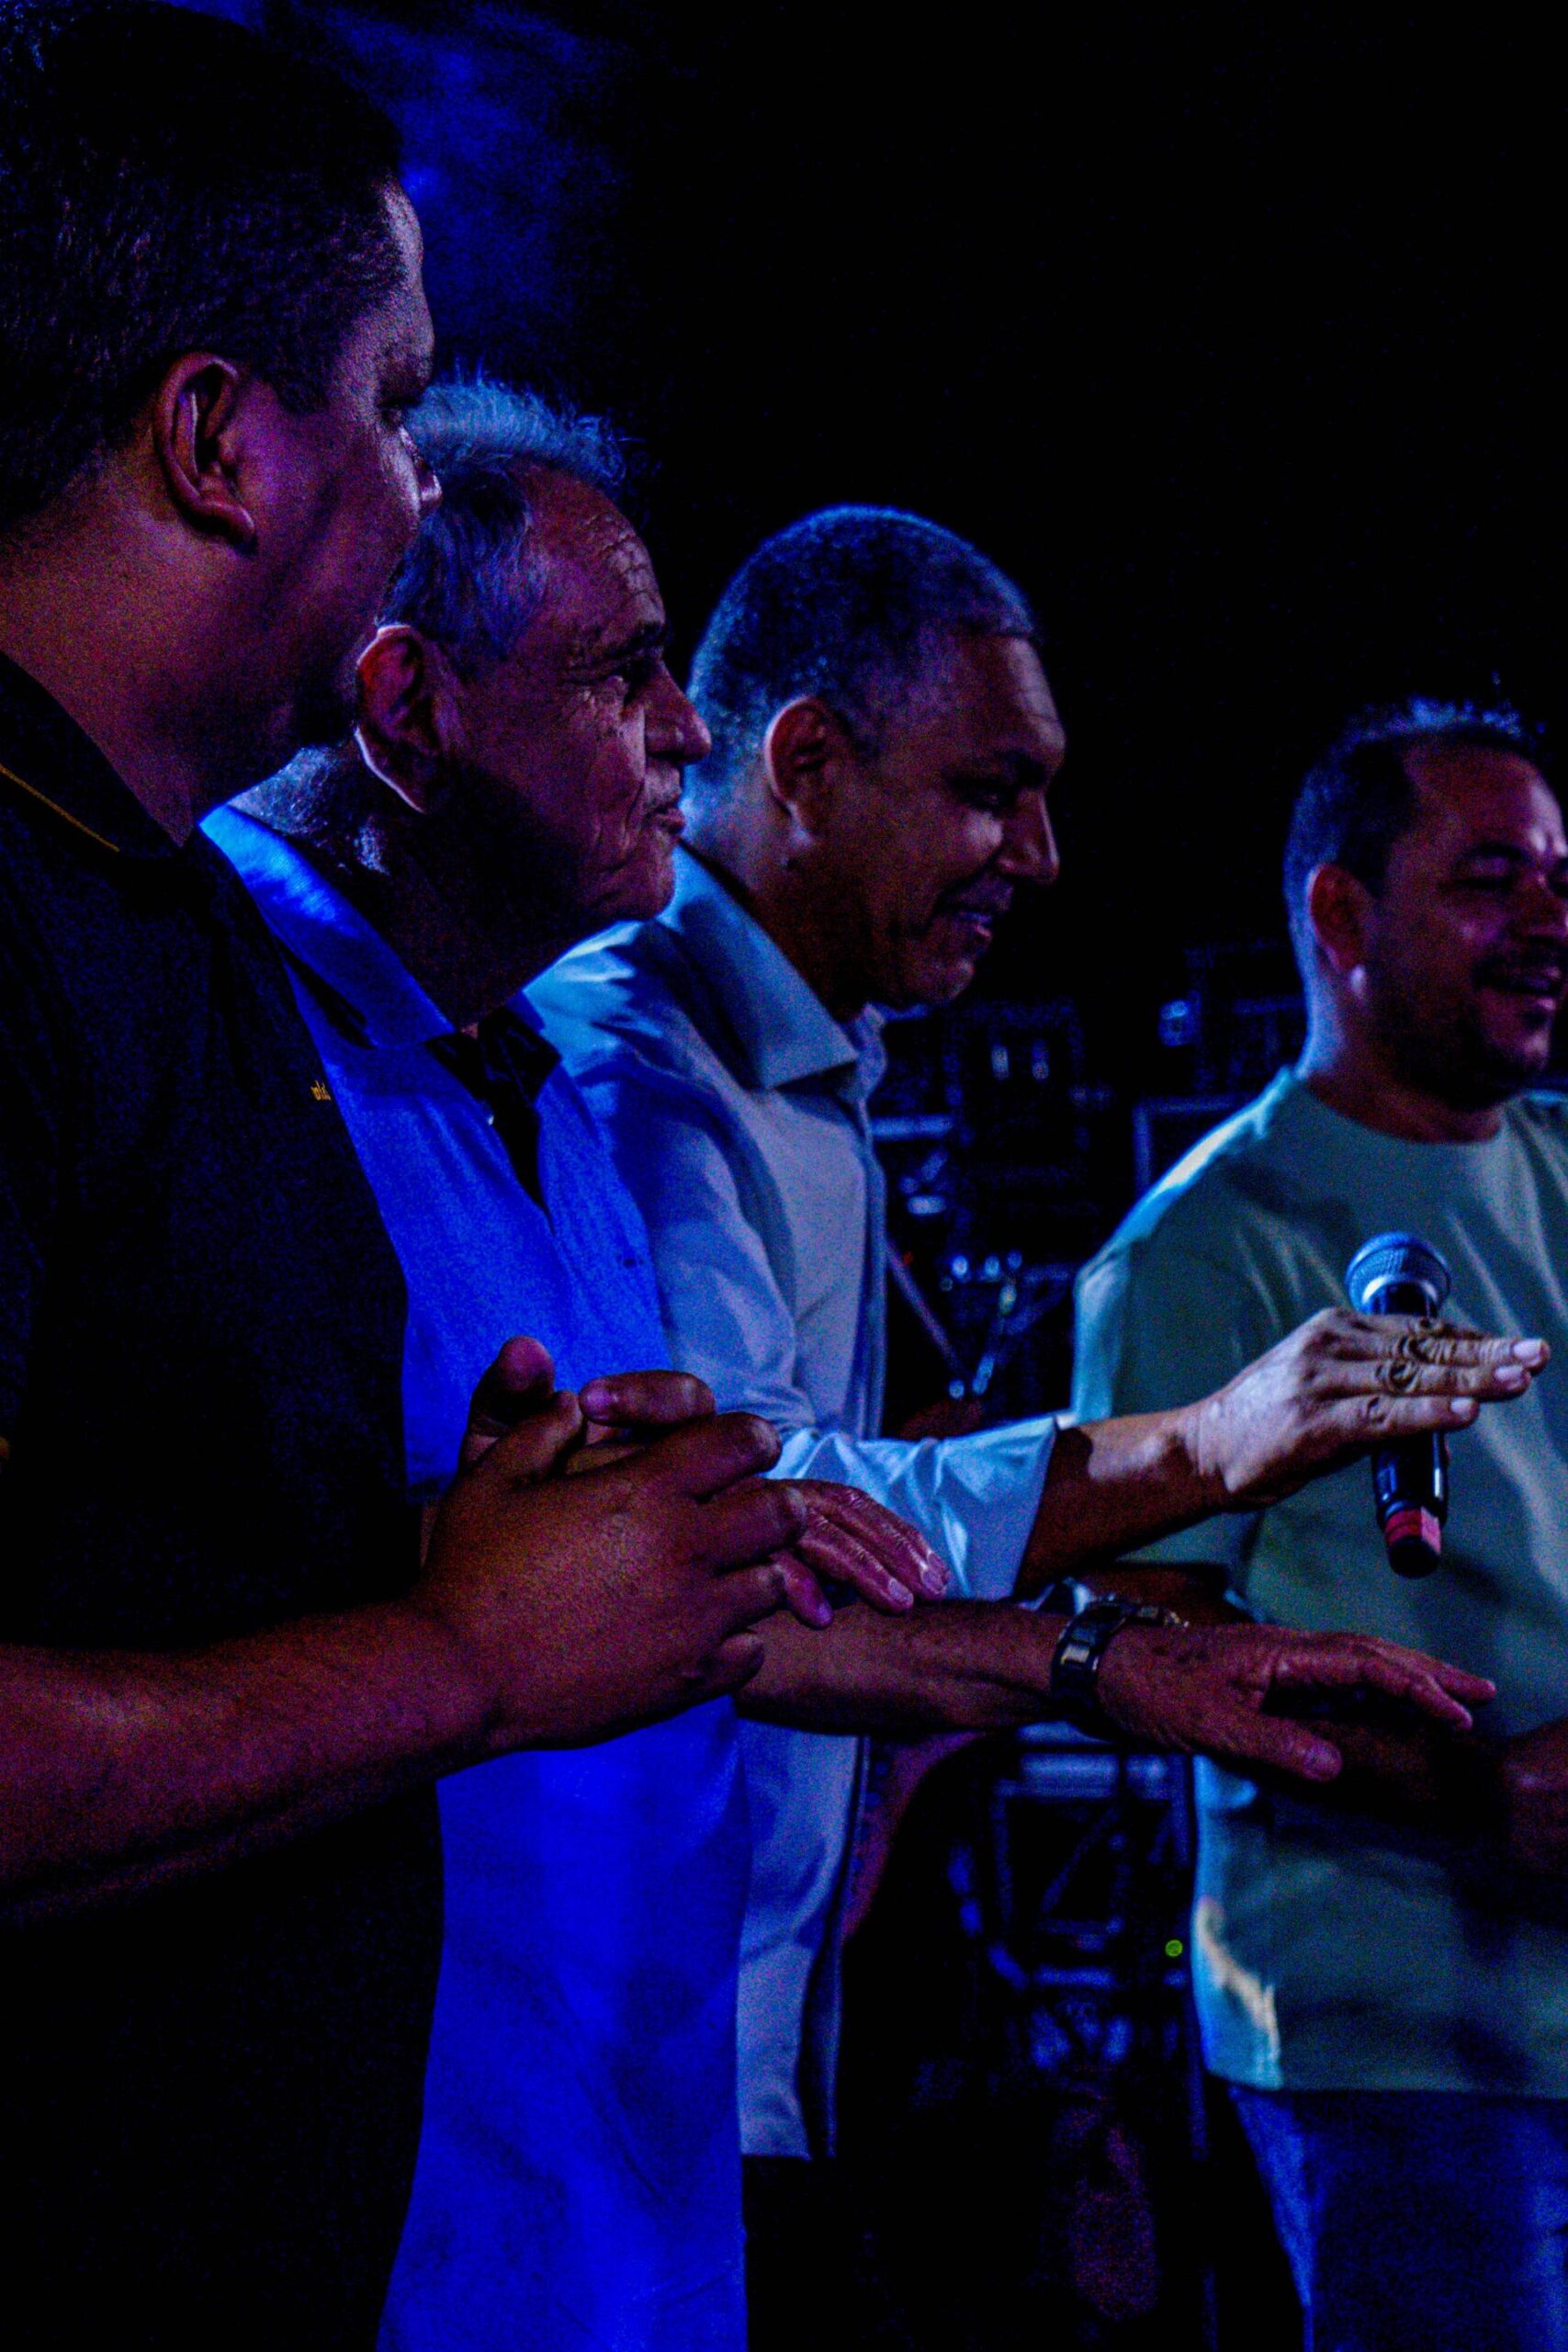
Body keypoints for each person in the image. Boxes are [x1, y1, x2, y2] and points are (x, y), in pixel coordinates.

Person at [0, 16, 828, 2341]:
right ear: (218, 444)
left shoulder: (166, 919)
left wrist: (503, 1526)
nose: (406, 489)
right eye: (392, 401)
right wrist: (464, 1646)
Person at [502, 502, 1536, 2327]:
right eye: (992, 792)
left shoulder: (802, 1071)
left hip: (740, 2040)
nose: (1040, 856)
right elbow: (743, 1504)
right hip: (612, 2058)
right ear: (805, 766)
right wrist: (1202, 1457)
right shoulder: (634, 1060)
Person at [1072, 700, 1568, 2352]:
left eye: (1560, 878)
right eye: (1491, 880)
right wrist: (1478, 1791)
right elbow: (1138, 1637)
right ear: (1341, 916)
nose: (1549, 920)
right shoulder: (1204, 1243)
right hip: (1398, 2054)